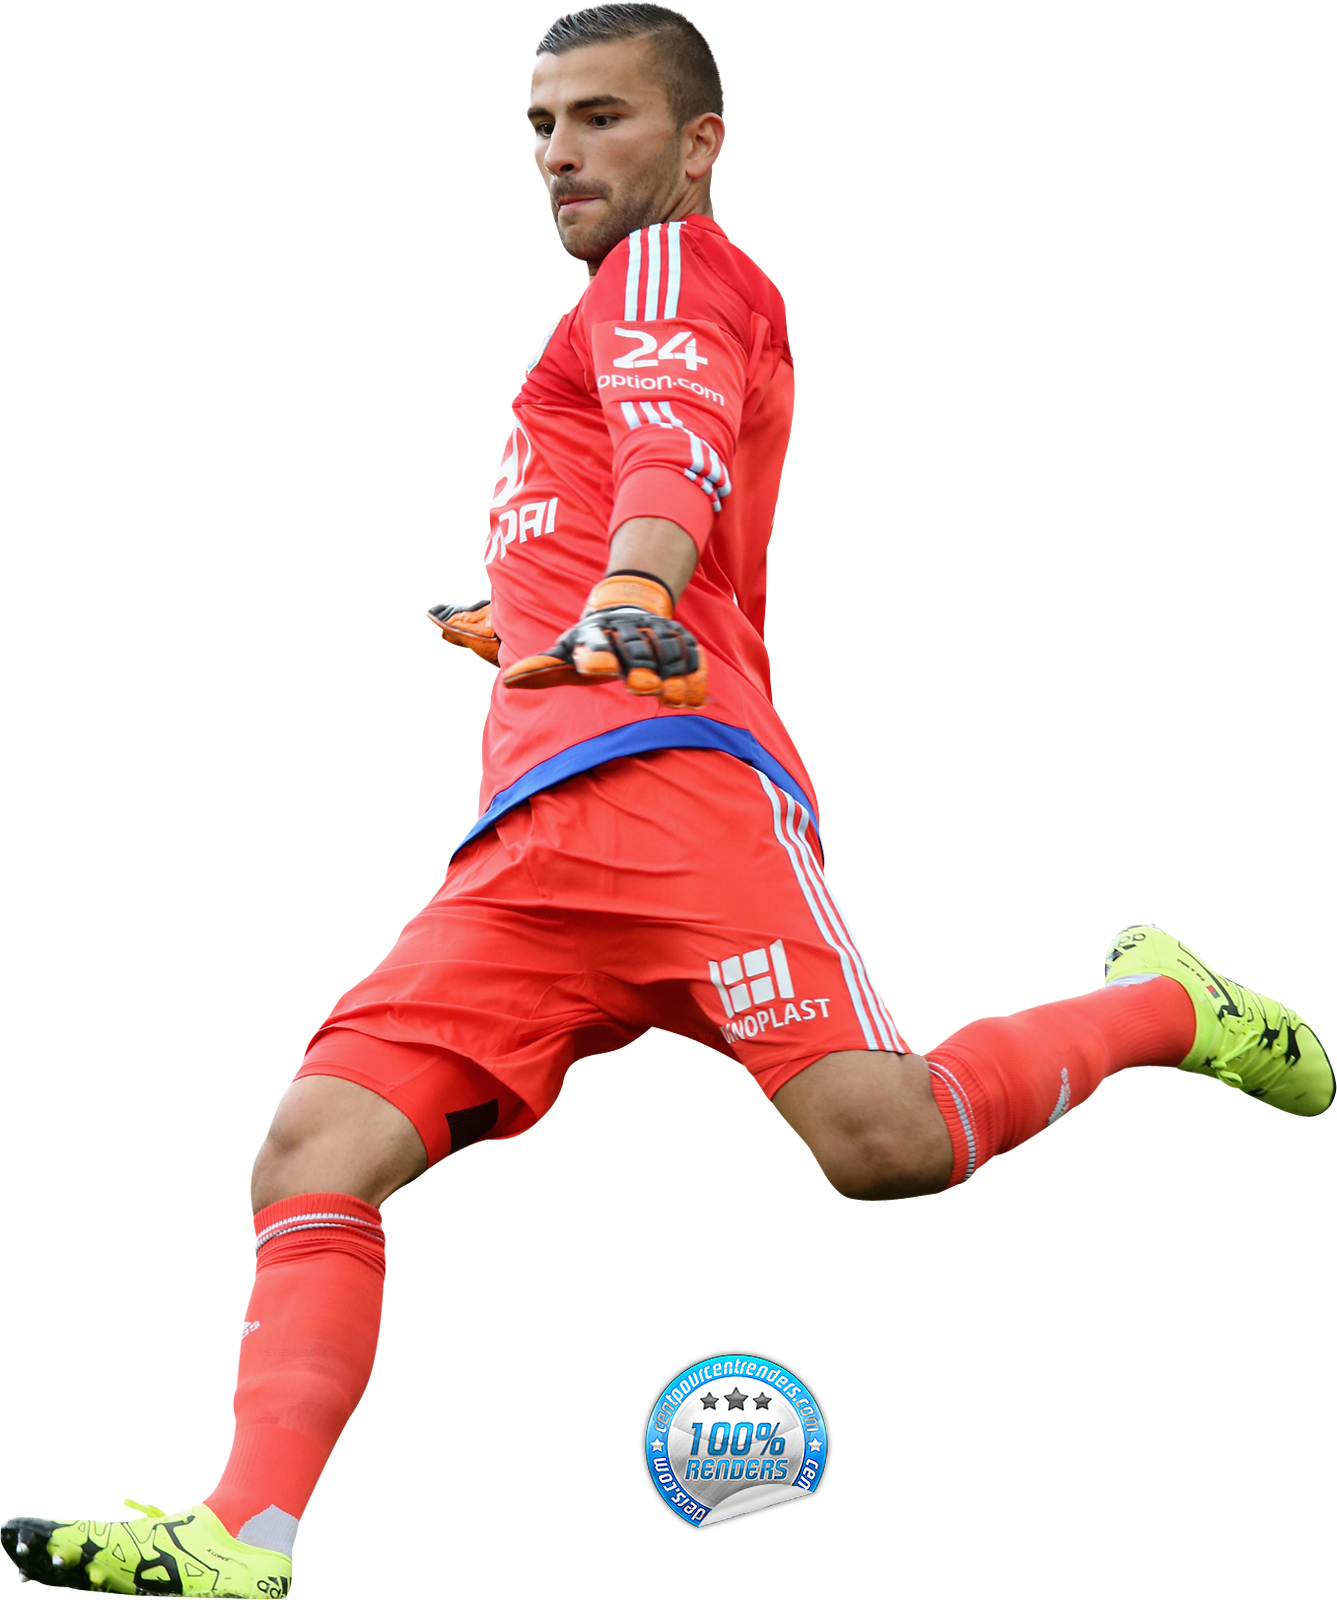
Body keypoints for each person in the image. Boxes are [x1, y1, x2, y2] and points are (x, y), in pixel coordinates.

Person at [8, 6, 1328, 1594]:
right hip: (524, 839)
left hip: (676, 793)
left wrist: (634, 587)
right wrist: (484, 630)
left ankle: (1171, 1008)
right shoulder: (601, 330)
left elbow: (671, 451)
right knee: (316, 1147)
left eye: (601, 117)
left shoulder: (664, 274)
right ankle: (249, 1538)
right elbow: (595, 532)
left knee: (874, 1144)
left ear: (701, 145)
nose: (559, 155)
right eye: (540, 123)